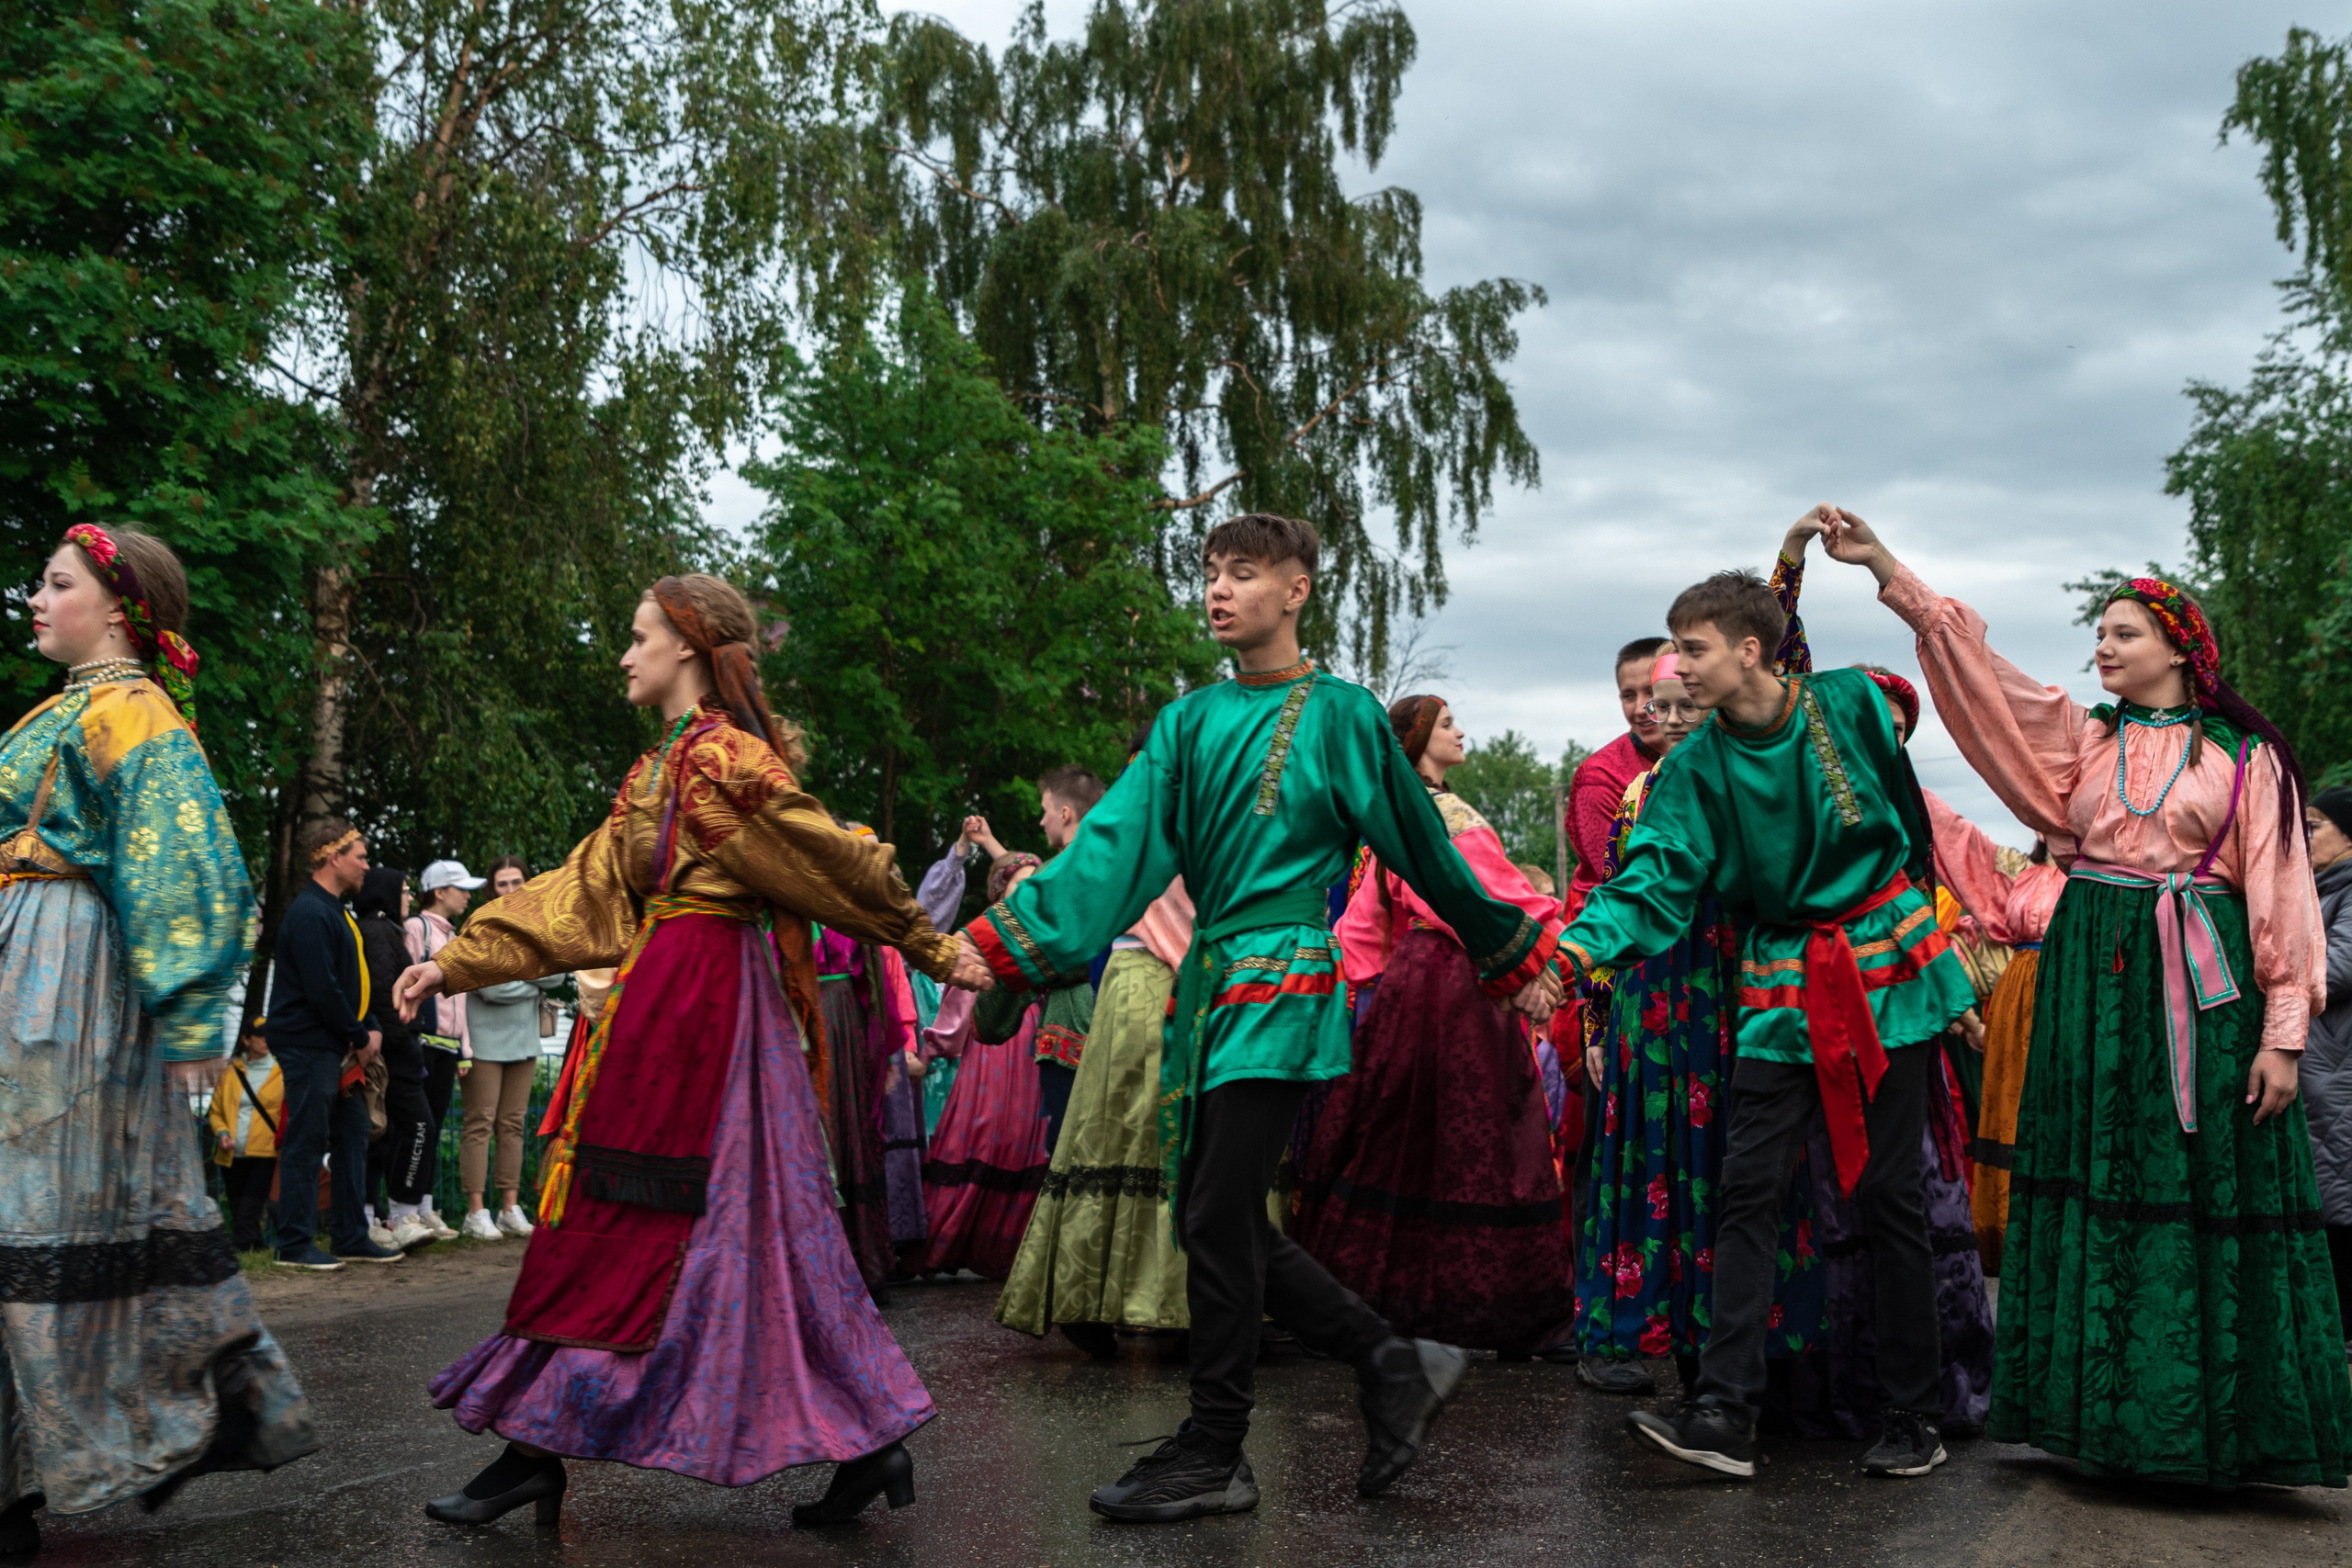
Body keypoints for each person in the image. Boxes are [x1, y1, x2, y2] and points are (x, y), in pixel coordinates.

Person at [956, 513, 1560, 1522]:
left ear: (1297, 590)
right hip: (1208, 986)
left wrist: (1511, 949)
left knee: (1213, 1212)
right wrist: (1007, 939)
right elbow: (1112, 846)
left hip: (1282, 977)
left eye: (1243, 572)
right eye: (1210, 572)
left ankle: (1227, 1438)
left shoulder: (1343, 714)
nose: (1218, 589)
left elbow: (1422, 846)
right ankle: (1377, 1368)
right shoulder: (1187, 722)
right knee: (1214, 1213)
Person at [393, 571, 981, 1529]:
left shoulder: (721, 760)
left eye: (639, 637)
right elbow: (581, 890)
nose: (625, 654)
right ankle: (859, 1442)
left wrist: (934, 945)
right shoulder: (660, 766)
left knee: (690, 1224)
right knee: (710, 1226)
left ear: (690, 647)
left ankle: (540, 1451)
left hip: (710, 1014)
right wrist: (455, 960)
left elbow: (829, 858)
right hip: (666, 1004)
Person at [1840, 507, 2352, 1487]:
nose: (2103, 648)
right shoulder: (2084, 743)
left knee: (2198, 1174)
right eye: (2101, 633)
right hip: (2089, 977)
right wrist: (1887, 570)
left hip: (2203, 987)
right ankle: (2101, 1423)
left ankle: (2206, 1428)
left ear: (2179, 648)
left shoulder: (2244, 758)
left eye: (2123, 633)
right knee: (2096, 1168)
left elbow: (2284, 894)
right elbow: (1983, 678)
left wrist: (2283, 1034)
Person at [1556, 519, 1975, 1483]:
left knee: (1888, 1190)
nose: (1674, 670)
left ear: (1749, 649)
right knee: (1747, 1186)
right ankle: (1722, 1413)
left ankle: (1913, 1413)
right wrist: (1571, 952)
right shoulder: (1692, 768)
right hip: (1782, 974)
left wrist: (1933, 948)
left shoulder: (1851, 704)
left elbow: (1909, 823)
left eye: (1691, 649)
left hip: (1888, 962)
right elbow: (1652, 880)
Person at [0, 524, 316, 1553]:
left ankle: (181, 1416)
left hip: (63, 986)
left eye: (57, 583)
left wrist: (187, 1016)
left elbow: (184, 865)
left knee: (40, 1221)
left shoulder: (134, 713)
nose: (35, 598)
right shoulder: (62, 710)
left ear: (118, 608)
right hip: (24, 972)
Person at [1572, 649, 1825, 1395]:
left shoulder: (1745, 771)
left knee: (1736, 1157)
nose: (1671, 718)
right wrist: (1595, 1019)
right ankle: (1677, 1342)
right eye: (1661, 705)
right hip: (1650, 1001)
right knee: (1658, 1155)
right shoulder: (1637, 790)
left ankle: (1745, 1359)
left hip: (1732, 987)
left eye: (1688, 703)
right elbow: (1616, 899)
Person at [1300, 694, 1577, 1357]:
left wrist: (1348, 982)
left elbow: (1360, 926)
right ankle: (1500, 1310)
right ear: (1420, 737)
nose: (1461, 732)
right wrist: (1557, 950)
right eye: (1448, 723)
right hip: (1464, 980)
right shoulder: (1447, 816)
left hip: (1408, 986)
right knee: (1488, 1134)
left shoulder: (1393, 819)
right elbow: (1499, 899)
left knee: (1400, 1134)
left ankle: (1370, 1300)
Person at [997, 727, 1197, 1360]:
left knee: (1115, 1136)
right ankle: (1171, 1304)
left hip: (1140, 984)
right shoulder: (1191, 814)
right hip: (1175, 982)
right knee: (1160, 1139)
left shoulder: (1136, 819)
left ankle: (1093, 1296)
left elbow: (1065, 902)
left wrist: (984, 950)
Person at [1924, 798, 2062, 1273]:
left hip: (2078, 997)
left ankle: (2065, 1234)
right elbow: (1955, 835)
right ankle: (2009, 1231)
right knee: (2011, 1114)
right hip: (2015, 1009)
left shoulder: (2108, 876)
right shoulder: (2015, 873)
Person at [268, 817, 404, 1270]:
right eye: (360, 857)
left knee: (354, 1132)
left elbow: (353, 982)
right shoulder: (310, 912)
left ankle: (350, 1236)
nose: (367, 866)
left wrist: (370, 1026)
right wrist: (360, 1034)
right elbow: (322, 988)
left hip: (337, 1043)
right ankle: (294, 1244)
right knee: (307, 1138)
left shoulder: (337, 912)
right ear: (333, 857)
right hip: (310, 1043)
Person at [921, 853, 1055, 1280]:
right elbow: (959, 1005)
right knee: (981, 1134)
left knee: (1025, 1141)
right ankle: (942, 1243)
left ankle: (1008, 1249)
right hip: (990, 1049)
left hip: (1031, 1045)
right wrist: (932, 1049)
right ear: (1000, 891)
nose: (1030, 892)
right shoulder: (986, 934)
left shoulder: (1041, 933)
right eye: (1021, 885)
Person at [456, 855, 562, 1241]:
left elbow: (559, 974)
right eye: (502, 883)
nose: (511, 889)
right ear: (491, 889)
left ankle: (509, 1209)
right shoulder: (480, 925)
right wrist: (533, 979)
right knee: (479, 1123)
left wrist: (521, 977)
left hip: (524, 1039)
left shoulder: (541, 924)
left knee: (513, 1125)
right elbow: (490, 987)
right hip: (483, 1041)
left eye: (517, 881)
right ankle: (475, 1212)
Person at [356, 866, 440, 1250]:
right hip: (394, 1052)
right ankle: (402, 1216)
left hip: (394, 1049)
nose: (408, 898)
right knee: (418, 1127)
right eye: (404, 891)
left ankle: (381, 1217)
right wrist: (404, 1040)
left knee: (386, 1133)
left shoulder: (384, 930)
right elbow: (382, 993)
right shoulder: (378, 931)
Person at [405, 858, 485, 1243]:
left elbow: (462, 997)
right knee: (415, 1129)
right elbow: (404, 983)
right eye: (461, 888)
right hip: (422, 1044)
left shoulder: (455, 938)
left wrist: (465, 1049)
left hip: (449, 1047)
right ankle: (403, 1211)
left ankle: (424, 1208)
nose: (468, 896)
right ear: (439, 892)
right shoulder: (416, 928)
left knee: (433, 1129)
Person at [1031, 765, 1107, 1152]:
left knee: (1068, 1147)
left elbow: (1041, 952)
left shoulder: (1054, 875)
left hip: (1068, 1025)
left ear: (1065, 813)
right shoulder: (1119, 865)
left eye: (1046, 810)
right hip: (1119, 1019)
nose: (1042, 820)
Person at [2308, 786, 2352, 1354]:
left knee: (2341, 1201)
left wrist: (2271, 960)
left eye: (2316, 825)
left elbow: (2337, 968)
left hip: (2338, 1072)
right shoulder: (2322, 888)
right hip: (2323, 1067)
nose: (2306, 835)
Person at [209, 1022, 286, 1252]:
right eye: (260, 1035)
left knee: (249, 1209)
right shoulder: (230, 1072)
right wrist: (222, 1133)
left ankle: (240, 1249)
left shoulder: (282, 1071)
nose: (266, 1040)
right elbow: (216, 1111)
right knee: (237, 1207)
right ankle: (256, 1248)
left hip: (265, 1151)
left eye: (269, 1034)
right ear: (246, 1040)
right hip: (232, 1152)